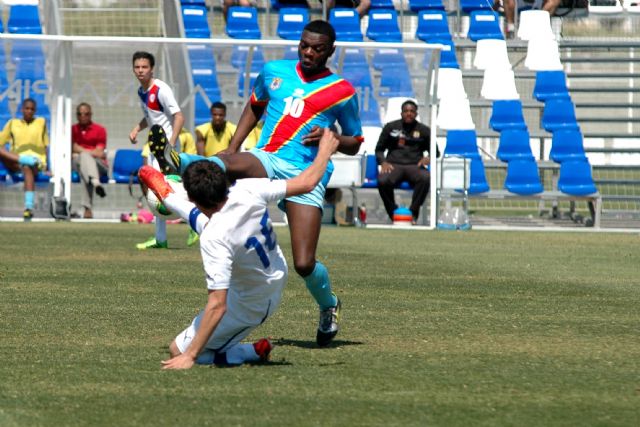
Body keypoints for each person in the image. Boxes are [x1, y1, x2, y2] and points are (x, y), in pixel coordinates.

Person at [150, 20, 363, 347]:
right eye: (304, 45)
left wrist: (331, 136)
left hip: (304, 172)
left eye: (317, 48)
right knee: (230, 162)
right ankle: (179, 161)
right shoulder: (273, 71)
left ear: (330, 51)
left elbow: (355, 142)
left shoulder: (343, 91)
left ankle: (328, 305)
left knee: (305, 263)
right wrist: (233, 146)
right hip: (268, 156)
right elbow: (255, 104)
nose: (308, 52)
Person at [140, 128, 340, 369]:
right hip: (271, 271)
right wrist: (325, 152)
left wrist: (189, 356)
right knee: (209, 225)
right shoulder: (248, 189)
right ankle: (167, 194)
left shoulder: (215, 237)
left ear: (194, 200)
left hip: (253, 301)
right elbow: (307, 182)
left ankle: (247, 353)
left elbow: (217, 304)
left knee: (177, 349)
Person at [128, 50, 185, 250]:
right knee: (156, 191)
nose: (140, 70)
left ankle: (196, 224)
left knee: (170, 190)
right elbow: (152, 117)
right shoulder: (141, 91)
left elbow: (179, 116)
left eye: (144, 67)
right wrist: (137, 128)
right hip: (155, 148)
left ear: (152, 69)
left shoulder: (161, 89)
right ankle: (160, 238)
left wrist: (170, 143)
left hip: (166, 148)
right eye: (137, 67)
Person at [375, 100, 438, 225]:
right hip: (394, 165)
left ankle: (413, 213)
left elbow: (435, 152)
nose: (409, 114)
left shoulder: (424, 130)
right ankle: (393, 212)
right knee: (382, 180)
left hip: (414, 165)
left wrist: (428, 158)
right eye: (406, 111)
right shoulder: (390, 127)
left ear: (416, 113)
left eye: (412, 111)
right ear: (401, 113)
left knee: (425, 177)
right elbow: (379, 149)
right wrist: (383, 162)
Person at [0, 98, 49, 220]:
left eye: (32, 109)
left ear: (35, 110)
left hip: (35, 161)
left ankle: (28, 208)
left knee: (27, 167)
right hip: (16, 160)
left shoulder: (41, 122)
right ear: (22, 109)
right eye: (27, 108)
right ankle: (24, 159)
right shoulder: (12, 123)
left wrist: (47, 165)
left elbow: (45, 145)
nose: (29, 111)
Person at [71, 102, 108, 219]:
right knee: (84, 161)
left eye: (86, 114)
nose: (83, 116)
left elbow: (100, 153)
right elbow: (71, 148)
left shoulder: (100, 130)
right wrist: (90, 152)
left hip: (99, 165)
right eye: (80, 114)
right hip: (77, 163)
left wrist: (80, 151)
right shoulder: (72, 130)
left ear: (90, 114)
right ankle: (96, 183)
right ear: (76, 115)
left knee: (85, 165)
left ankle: (87, 208)